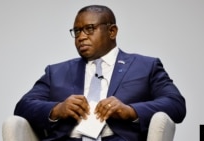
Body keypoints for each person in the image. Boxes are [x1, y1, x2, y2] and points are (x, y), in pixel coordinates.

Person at [14, 5, 186, 141]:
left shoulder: (146, 66)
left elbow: (176, 104)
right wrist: (57, 109)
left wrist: (131, 111)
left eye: (89, 29)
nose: (81, 37)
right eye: (77, 31)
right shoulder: (56, 71)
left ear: (112, 31)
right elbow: (23, 106)